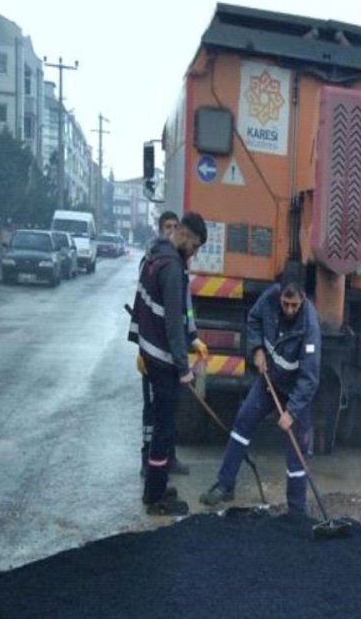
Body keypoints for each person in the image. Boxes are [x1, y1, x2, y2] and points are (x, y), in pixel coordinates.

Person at [201, 262, 320, 514]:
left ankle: (297, 510)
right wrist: (256, 349)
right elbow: (253, 319)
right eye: (285, 303)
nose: (289, 310)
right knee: (243, 422)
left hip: (296, 391)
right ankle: (225, 484)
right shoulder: (268, 300)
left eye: (294, 305)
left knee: (296, 453)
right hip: (270, 381)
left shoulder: (310, 326)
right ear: (279, 294)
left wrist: (292, 412)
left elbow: (309, 378)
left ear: (303, 299)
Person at [131, 212, 208, 516]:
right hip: (163, 361)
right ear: (185, 236)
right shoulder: (172, 268)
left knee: (161, 428)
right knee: (164, 430)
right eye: (196, 246)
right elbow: (174, 326)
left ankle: (156, 485)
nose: (195, 252)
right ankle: (156, 498)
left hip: (151, 353)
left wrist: (192, 341)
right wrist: (183, 369)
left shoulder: (153, 256)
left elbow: (146, 308)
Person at [135, 210, 191, 478]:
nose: (170, 230)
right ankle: (150, 460)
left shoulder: (174, 265)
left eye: (173, 225)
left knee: (166, 416)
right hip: (156, 353)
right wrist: (140, 348)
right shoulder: (159, 264)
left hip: (162, 350)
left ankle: (167, 458)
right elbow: (147, 312)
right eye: (166, 226)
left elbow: (183, 312)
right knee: (155, 411)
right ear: (161, 230)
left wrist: (194, 337)